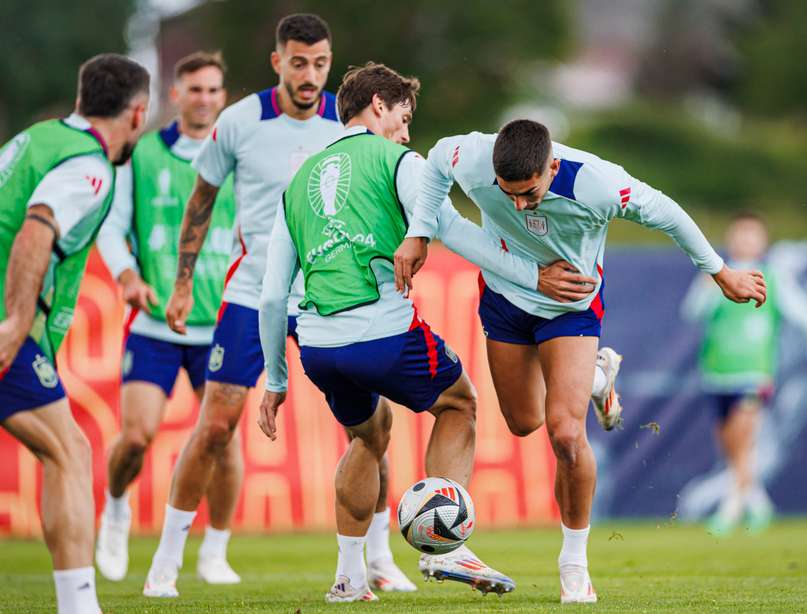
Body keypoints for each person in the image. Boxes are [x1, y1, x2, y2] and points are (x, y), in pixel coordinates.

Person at [257, 63, 593, 603]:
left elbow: (273, 294)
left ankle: (348, 578)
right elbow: (450, 227)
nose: (408, 132)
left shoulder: (297, 181)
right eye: (404, 117)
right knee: (460, 405)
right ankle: (449, 545)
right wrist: (534, 275)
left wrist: (275, 381)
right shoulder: (398, 161)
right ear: (377, 105)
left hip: (316, 345)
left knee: (369, 435)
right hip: (381, 332)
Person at [394, 120, 766, 603]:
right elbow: (439, 156)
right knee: (524, 421)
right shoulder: (473, 155)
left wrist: (720, 273)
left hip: (570, 306)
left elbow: (669, 213)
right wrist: (420, 232)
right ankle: (595, 377)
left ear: (552, 165)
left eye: (529, 193)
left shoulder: (597, 182)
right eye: (509, 195)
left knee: (566, 434)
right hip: (505, 298)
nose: (519, 206)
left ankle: (574, 563)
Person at [142, 14, 414, 597]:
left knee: (370, 430)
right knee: (215, 425)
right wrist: (184, 283)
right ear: (277, 62)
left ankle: (381, 559)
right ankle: (166, 562)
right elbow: (202, 198)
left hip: (327, 293)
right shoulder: (238, 122)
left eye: (320, 63)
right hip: (252, 292)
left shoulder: (344, 130)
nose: (310, 74)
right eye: (298, 62)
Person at [0, 53, 149, 614]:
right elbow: (36, 227)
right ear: (137, 114)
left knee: (63, 450)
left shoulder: (36, 138)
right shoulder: (89, 168)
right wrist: (16, 324)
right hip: (7, 326)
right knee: (70, 451)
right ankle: (79, 606)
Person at [95, 51, 240, 583]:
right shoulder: (142, 154)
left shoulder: (237, 157)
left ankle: (215, 551)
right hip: (155, 322)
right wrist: (126, 275)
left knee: (223, 440)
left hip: (221, 324)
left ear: (223, 98)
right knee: (136, 437)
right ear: (175, 96)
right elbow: (112, 225)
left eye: (213, 90)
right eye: (194, 89)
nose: (204, 98)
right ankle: (115, 509)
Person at [681, 212, 807, 535]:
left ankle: (731, 510)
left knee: (744, 442)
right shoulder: (716, 275)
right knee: (730, 447)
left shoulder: (773, 278)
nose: (746, 241)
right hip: (717, 371)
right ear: (730, 239)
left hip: (754, 371)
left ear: (763, 242)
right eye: (740, 234)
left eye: (752, 235)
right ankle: (759, 505)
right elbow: (691, 314)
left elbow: (806, 319)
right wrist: (708, 287)